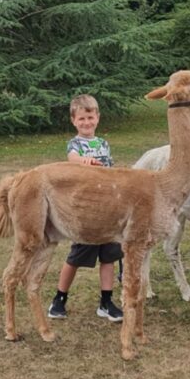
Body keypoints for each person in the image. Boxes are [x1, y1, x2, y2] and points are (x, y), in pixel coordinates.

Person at [47, 95, 124, 323]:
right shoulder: (75, 145)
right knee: (77, 255)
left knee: (109, 255)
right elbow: (72, 160)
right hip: (85, 211)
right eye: (82, 118)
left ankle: (106, 302)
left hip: (108, 208)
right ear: (74, 121)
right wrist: (86, 163)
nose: (86, 122)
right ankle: (59, 299)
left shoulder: (103, 144)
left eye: (90, 117)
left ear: (97, 118)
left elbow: (111, 170)